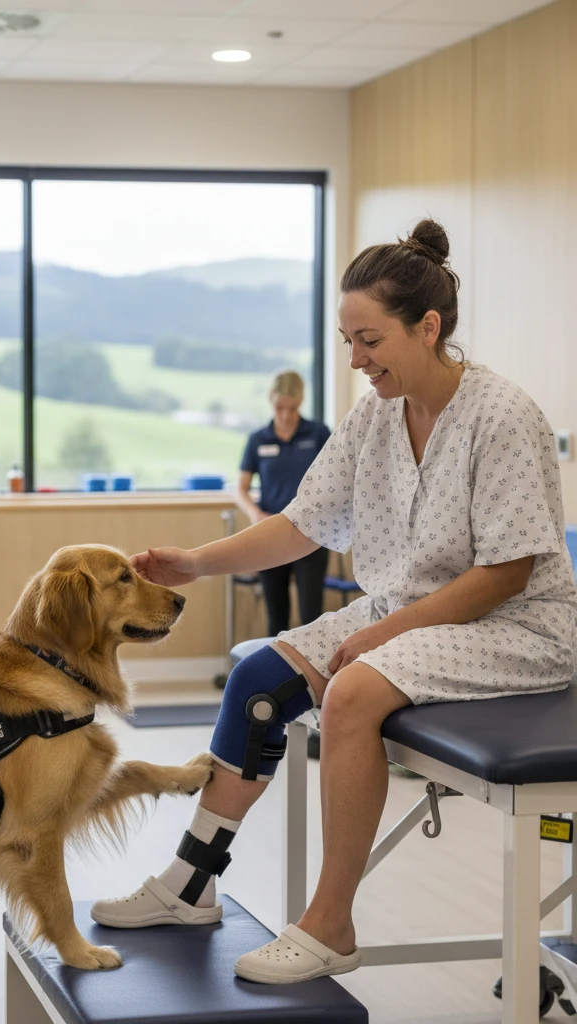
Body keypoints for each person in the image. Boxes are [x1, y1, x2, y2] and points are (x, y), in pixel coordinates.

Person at [90, 219, 577, 985]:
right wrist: (194, 563)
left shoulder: (501, 415)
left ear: (428, 327)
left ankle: (331, 924)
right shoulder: (374, 416)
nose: (355, 361)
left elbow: (506, 573)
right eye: (347, 340)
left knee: (351, 692)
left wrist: (382, 633)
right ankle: (191, 885)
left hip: (514, 625)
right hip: (410, 608)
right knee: (258, 683)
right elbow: (300, 524)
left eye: (369, 341)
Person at [236, 369, 331, 635]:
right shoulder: (258, 440)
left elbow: (336, 481)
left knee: (311, 617)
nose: (286, 415)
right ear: (271, 401)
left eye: (292, 408)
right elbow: (241, 489)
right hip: (271, 535)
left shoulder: (318, 434)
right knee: (276, 619)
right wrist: (255, 514)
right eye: (280, 407)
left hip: (311, 535)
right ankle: (277, 677)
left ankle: (313, 677)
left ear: (301, 402)